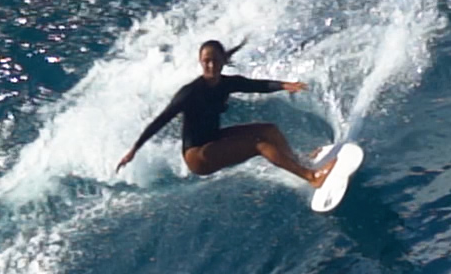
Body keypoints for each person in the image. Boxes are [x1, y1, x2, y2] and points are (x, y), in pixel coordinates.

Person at [115, 39, 331, 186]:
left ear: (223, 61)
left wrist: (284, 85)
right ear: (201, 62)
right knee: (259, 144)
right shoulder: (189, 93)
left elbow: (257, 85)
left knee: (269, 130)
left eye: (215, 60)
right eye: (205, 61)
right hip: (198, 156)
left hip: (213, 139)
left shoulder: (227, 83)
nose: (210, 65)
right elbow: (161, 120)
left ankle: (298, 161)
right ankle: (311, 177)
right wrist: (134, 149)